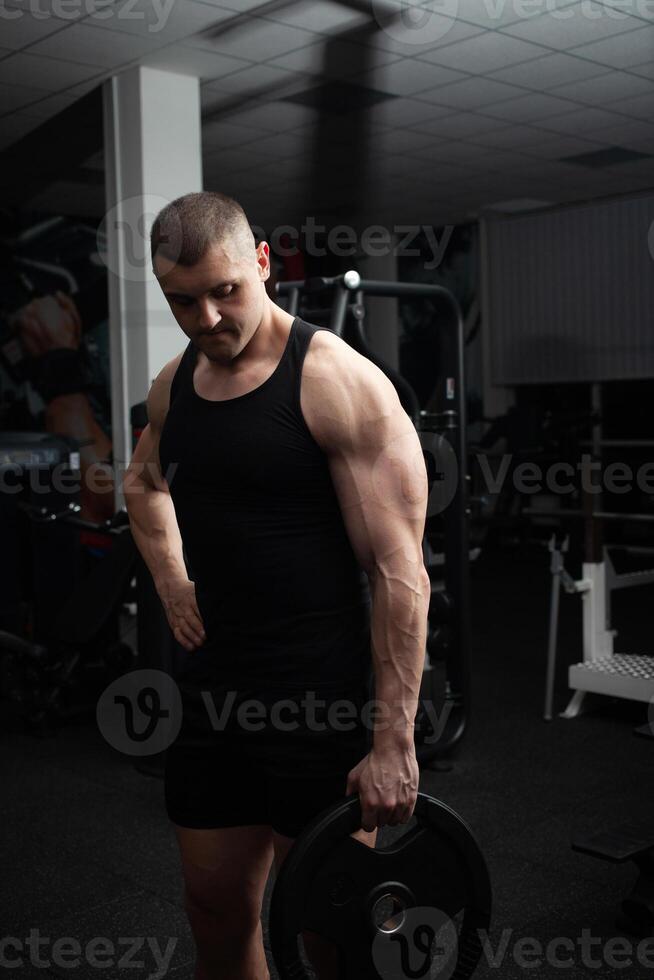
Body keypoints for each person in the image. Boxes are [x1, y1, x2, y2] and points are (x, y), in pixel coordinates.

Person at [123, 191, 431, 980]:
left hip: (320, 699)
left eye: (227, 291)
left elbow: (400, 574)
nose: (208, 318)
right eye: (183, 300)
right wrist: (172, 581)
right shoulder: (173, 386)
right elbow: (141, 484)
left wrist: (394, 740)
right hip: (215, 696)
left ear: (262, 263)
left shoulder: (334, 380)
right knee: (215, 912)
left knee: (328, 929)